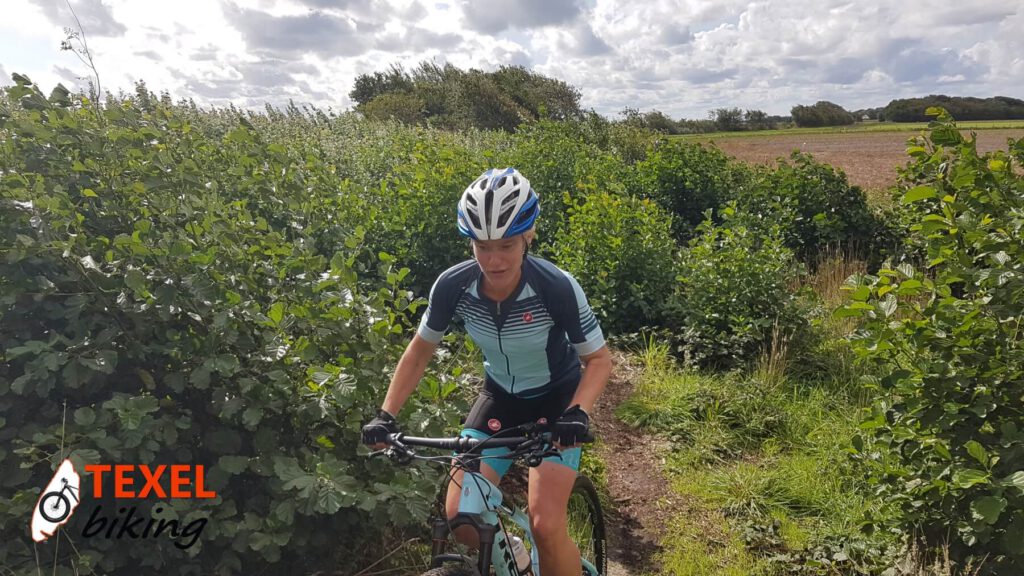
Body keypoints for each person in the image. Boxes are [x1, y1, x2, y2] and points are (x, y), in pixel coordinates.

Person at [362, 167, 613, 576]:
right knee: (461, 516)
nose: (493, 260)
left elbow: (599, 360)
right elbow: (421, 349)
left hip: (558, 402)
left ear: (528, 237)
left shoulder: (555, 287)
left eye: (507, 246)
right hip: (499, 398)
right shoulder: (454, 286)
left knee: (546, 525)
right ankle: (515, 556)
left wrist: (578, 413)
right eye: (482, 246)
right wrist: (386, 416)